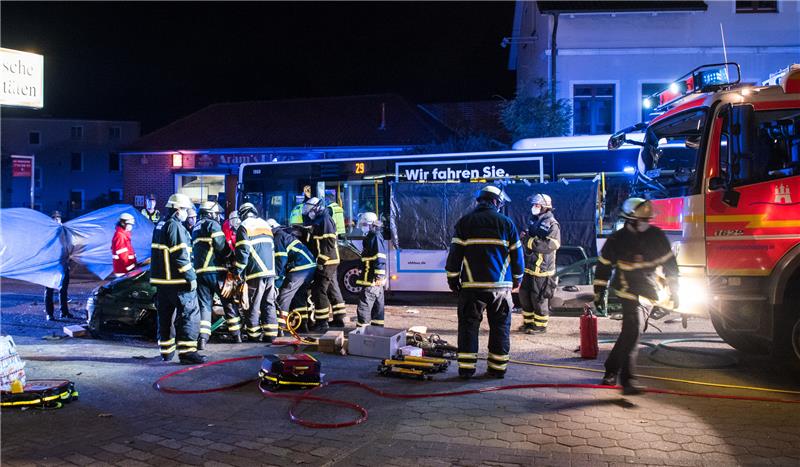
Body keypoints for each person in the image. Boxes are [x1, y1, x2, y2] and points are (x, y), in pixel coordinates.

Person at [594, 197, 679, 395]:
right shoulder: (617, 239)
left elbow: (670, 265)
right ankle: (628, 380)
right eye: (643, 221)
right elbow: (603, 268)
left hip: (649, 290)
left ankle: (611, 370)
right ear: (630, 220)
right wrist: (599, 292)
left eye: (648, 220)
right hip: (626, 289)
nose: (646, 224)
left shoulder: (656, 236)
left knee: (631, 333)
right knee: (633, 330)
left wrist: (675, 290)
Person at [445, 186, 524, 379]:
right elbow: (517, 256)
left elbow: (455, 255)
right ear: (496, 202)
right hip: (501, 289)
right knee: (500, 327)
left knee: (468, 327)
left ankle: (466, 369)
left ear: (480, 201)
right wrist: (517, 278)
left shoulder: (465, 223)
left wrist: (453, 279)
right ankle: (497, 369)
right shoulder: (507, 224)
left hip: (472, 288)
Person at [150, 193, 205, 364]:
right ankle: (187, 353)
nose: (186, 213)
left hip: (162, 283)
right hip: (178, 282)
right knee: (190, 314)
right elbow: (181, 255)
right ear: (177, 209)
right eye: (185, 209)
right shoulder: (175, 227)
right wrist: (191, 277)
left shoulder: (160, 225)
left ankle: (166, 352)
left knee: (165, 317)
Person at [192, 201, 236, 349]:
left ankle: (203, 339)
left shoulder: (196, 227)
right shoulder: (212, 225)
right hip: (215, 271)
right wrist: (231, 256)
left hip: (200, 272)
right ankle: (236, 335)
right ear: (210, 213)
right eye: (217, 214)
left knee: (205, 306)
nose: (218, 217)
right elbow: (221, 246)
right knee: (228, 301)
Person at [234, 203, 278, 343]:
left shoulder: (244, 227)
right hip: (270, 271)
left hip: (255, 272)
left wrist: (238, 271)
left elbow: (243, 252)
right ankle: (271, 334)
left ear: (243, 214)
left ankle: (253, 335)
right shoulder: (265, 225)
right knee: (268, 302)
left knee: (253, 305)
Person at [518, 194, 560, 334]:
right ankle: (528, 324)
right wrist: (525, 237)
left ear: (545, 207)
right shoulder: (534, 220)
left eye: (537, 205)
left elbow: (550, 245)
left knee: (538, 299)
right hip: (529, 267)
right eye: (534, 205)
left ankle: (540, 326)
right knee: (525, 296)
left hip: (542, 269)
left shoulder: (552, 224)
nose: (534, 208)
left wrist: (527, 241)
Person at [268, 219, 316, 334]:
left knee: (284, 295)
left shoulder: (278, 238)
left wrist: (277, 280)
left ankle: (281, 327)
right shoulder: (284, 235)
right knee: (299, 295)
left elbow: (281, 260)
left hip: (300, 268)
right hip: (309, 266)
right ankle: (302, 325)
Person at [303, 197, 343, 332]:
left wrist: (321, 261)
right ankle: (339, 319)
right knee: (332, 289)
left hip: (327, 261)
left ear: (316, 207)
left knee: (318, 290)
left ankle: (322, 321)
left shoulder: (325, 219)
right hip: (331, 261)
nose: (307, 212)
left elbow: (330, 243)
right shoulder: (321, 219)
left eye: (309, 208)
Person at [354, 212, 387, 328]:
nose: (363, 226)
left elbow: (380, 258)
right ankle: (377, 330)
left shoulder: (374, 237)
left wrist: (379, 276)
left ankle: (362, 332)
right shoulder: (373, 236)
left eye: (364, 224)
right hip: (373, 278)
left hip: (371, 279)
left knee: (364, 305)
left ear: (372, 224)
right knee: (378, 307)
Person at [44, 211, 75, 320]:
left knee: (63, 289)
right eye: (54, 218)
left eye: (58, 218)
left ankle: (64, 312)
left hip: (63, 264)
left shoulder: (64, 232)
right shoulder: (47, 233)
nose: (57, 220)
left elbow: (69, 245)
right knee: (50, 290)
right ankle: (50, 313)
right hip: (51, 266)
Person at [111, 212, 138, 277]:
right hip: (123, 270)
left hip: (125, 268)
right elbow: (122, 254)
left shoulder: (124, 235)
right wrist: (130, 267)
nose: (131, 226)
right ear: (123, 223)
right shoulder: (120, 236)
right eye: (129, 224)